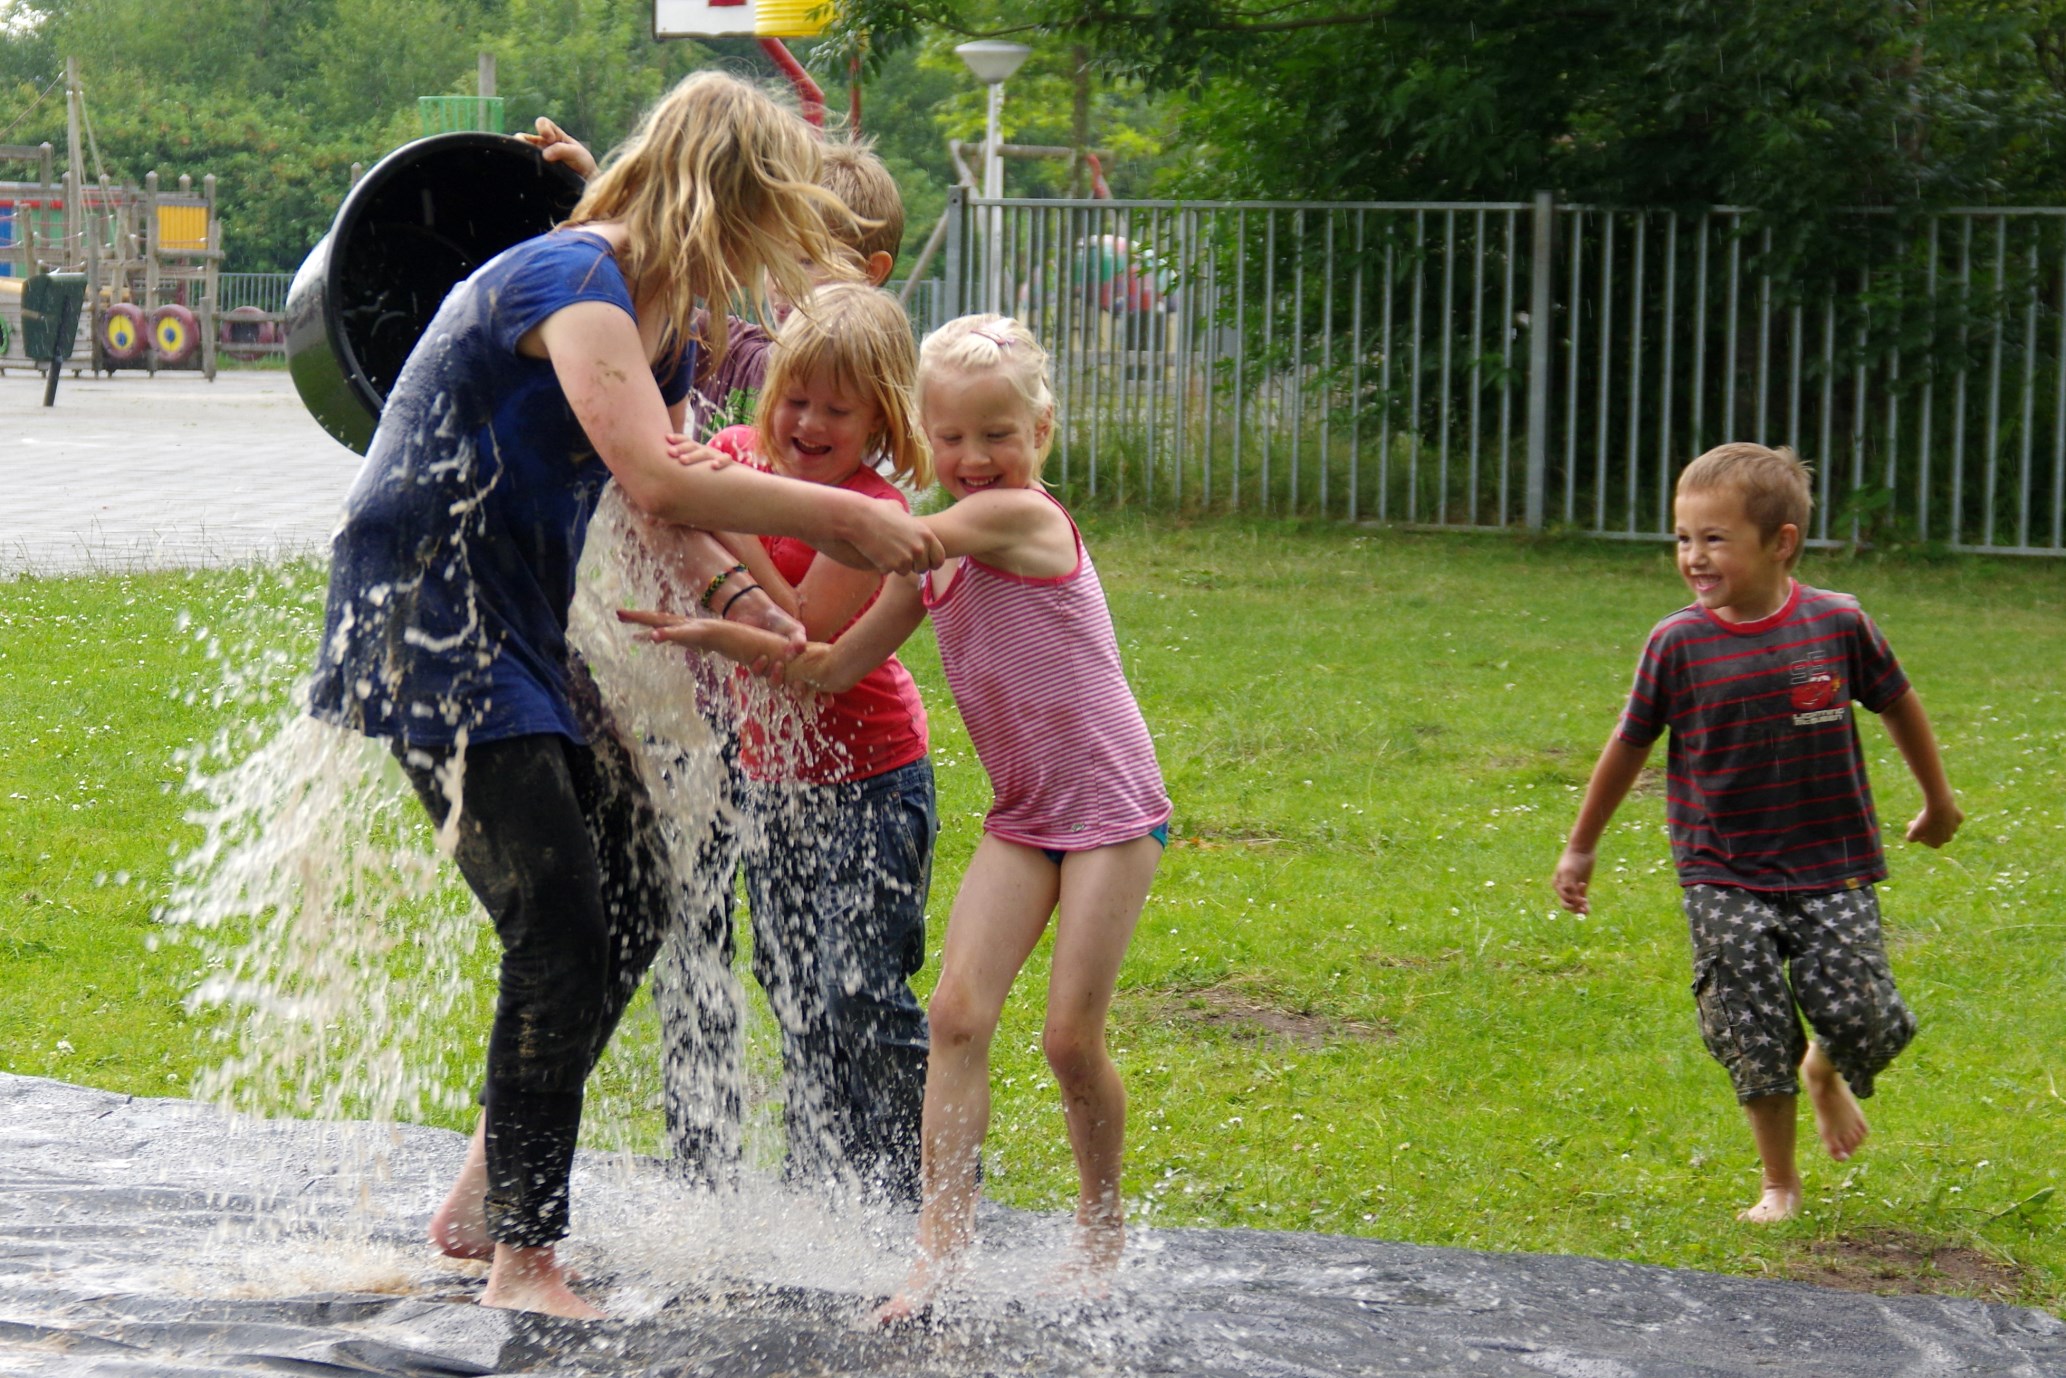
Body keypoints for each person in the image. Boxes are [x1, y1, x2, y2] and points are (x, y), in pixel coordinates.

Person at [307, 71, 943, 1319]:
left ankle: (488, 1193)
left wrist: (759, 608)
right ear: (726, 197)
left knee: (636, 884)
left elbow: (662, 500)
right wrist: (840, 523)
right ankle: (523, 1261)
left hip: (513, 629)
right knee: (558, 919)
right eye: (766, 220)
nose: (767, 260)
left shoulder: (646, 312)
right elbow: (659, 472)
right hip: (425, 614)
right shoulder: (571, 281)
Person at [623, 313, 1172, 1314]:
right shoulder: (930, 555)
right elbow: (831, 665)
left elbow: (907, 534)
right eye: (952, 437)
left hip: (1107, 814)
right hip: (1022, 815)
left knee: (1063, 1038)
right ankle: (938, 1256)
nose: (973, 458)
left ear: (1041, 431)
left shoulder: (1019, 519)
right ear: (925, 432)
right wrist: (723, 631)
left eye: (997, 434)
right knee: (957, 1016)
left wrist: (711, 489)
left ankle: (1100, 1228)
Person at [524, 113, 918, 1186]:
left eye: (798, 244)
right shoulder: (759, 360)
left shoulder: (844, 410)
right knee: (687, 942)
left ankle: (850, 1180)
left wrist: (716, 506)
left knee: (825, 976)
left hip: (795, 730)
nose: (763, 267)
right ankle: (701, 1164)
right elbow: (655, 298)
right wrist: (607, 186)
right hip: (700, 724)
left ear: (867, 270)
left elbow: (804, 616)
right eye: (764, 235)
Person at [1551, 442, 1961, 1224]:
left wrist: (1937, 800)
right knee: (1749, 1017)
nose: (1693, 557)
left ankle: (1826, 1070)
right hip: (1720, 867)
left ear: (1781, 542)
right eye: (1682, 538)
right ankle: (1780, 1181)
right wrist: (1581, 844)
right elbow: (1627, 744)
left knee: (1865, 1012)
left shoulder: (1837, 623)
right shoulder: (1676, 643)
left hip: (1832, 860)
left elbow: (1899, 702)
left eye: (1714, 539)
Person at [695, 281, 937, 1202]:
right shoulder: (731, 457)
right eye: (797, 397)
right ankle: (822, 1189)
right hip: (772, 784)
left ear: (880, 418)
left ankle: (922, 1188)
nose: (809, 421)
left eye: (838, 409)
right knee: (794, 990)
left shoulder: (870, 511)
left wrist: (727, 516)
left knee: (861, 992)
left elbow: (797, 635)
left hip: (872, 781)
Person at [523, 117, 905, 428]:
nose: (780, 282)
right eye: (772, 258)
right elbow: (654, 283)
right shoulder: (729, 349)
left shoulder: (872, 386)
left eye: (805, 262)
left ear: (870, 272)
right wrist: (595, 189)